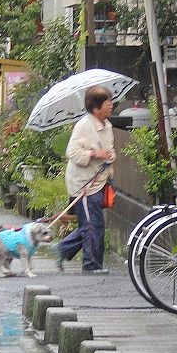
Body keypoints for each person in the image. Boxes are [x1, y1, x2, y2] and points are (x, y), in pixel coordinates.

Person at [55, 85, 116, 274]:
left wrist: (109, 156)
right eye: (108, 103)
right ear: (96, 107)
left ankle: (63, 249)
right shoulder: (84, 125)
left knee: (91, 224)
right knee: (92, 224)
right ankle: (91, 265)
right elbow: (72, 152)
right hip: (84, 184)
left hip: (98, 181)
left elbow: (109, 150)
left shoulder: (107, 126)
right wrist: (95, 153)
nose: (111, 106)